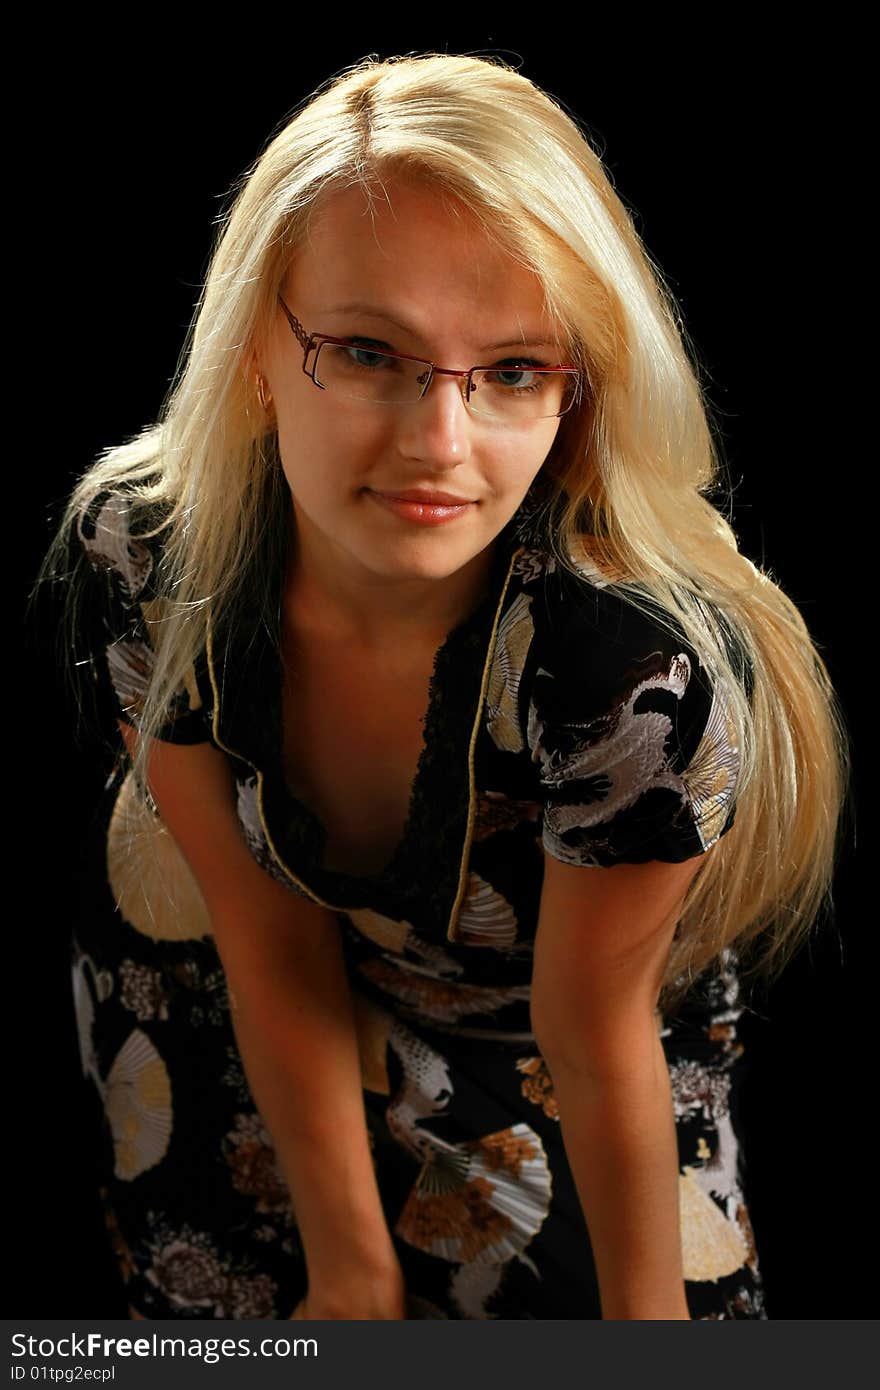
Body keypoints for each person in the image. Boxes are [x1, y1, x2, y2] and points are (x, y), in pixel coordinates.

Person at [41, 52, 848, 1321]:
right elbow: (265, 935)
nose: (439, 444)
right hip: (225, 976)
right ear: (259, 341)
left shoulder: (623, 670)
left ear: (574, 391)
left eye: (515, 372)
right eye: (369, 352)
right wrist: (350, 1272)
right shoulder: (149, 559)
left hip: (567, 1043)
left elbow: (597, 1034)